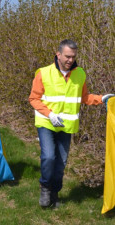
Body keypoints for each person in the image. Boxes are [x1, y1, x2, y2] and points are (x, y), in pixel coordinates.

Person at [29, 39, 114, 208]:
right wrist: (50, 114)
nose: (70, 60)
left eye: (73, 57)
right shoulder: (44, 73)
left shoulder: (80, 73)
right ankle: (45, 187)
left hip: (67, 126)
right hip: (46, 122)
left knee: (61, 164)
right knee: (48, 157)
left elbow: (84, 97)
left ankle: (54, 194)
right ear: (58, 54)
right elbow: (33, 98)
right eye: (67, 56)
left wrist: (101, 98)